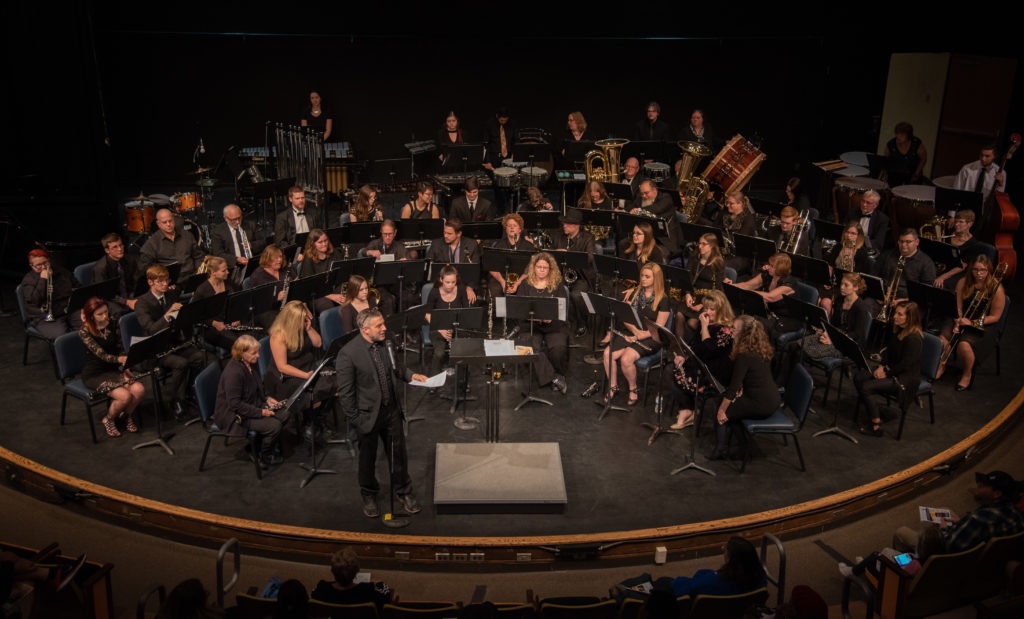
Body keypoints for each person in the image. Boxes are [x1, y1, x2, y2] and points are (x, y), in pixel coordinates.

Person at [336, 308, 428, 518]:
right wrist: (357, 420)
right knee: (367, 459)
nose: (385, 328)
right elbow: (346, 394)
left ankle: (404, 491)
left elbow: (397, 368)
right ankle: (369, 493)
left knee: (398, 455)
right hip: (367, 415)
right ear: (365, 329)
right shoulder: (348, 353)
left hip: (391, 410)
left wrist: (413, 375)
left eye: (383, 323)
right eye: (379, 325)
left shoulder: (387, 342)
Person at [893, 470, 1024, 554]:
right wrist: (961, 521)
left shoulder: (977, 519)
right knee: (945, 511)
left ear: (997, 494)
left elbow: (949, 547)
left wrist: (943, 528)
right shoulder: (1016, 514)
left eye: (984, 485)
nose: (978, 485)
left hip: (946, 556)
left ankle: (909, 563)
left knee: (901, 532)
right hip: (983, 554)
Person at [134, 265, 205, 418]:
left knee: (198, 357)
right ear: (150, 282)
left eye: (166, 280)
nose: (165, 284)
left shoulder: (171, 295)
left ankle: (188, 391)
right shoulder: (141, 303)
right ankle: (176, 400)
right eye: (160, 282)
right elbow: (151, 329)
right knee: (181, 363)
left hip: (173, 343)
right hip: (154, 349)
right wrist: (168, 315)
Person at [600, 262, 671, 406]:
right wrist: (634, 331)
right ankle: (613, 387)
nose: (643, 279)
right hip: (632, 332)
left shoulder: (663, 299)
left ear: (656, 279)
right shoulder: (634, 293)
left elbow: (658, 329)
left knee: (626, 359)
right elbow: (625, 317)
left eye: (647, 276)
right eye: (642, 276)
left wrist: (638, 336)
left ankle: (633, 389)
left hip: (651, 337)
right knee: (607, 354)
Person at [711, 315, 781, 460]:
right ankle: (744, 446)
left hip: (760, 404)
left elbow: (733, 388)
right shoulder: (760, 348)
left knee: (720, 406)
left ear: (744, 334)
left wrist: (722, 411)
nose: (731, 331)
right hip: (772, 399)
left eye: (734, 329)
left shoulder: (745, 355)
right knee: (729, 408)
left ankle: (721, 450)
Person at [666, 290, 735, 429]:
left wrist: (704, 327)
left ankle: (687, 409)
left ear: (722, 310)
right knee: (669, 368)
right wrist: (683, 356)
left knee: (674, 373)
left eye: (712, 309)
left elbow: (709, 350)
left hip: (714, 374)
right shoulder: (706, 322)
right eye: (706, 308)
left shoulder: (726, 330)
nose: (708, 312)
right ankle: (687, 409)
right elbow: (695, 346)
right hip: (700, 364)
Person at [213, 335, 285, 468]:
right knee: (274, 426)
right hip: (236, 416)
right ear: (242, 353)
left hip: (252, 403)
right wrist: (261, 412)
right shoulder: (233, 373)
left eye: (257, 352)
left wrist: (267, 398)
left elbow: (259, 385)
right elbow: (235, 405)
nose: (258, 356)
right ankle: (264, 456)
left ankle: (256, 447)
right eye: (254, 353)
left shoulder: (251, 362)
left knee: (285, 413)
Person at [79, 297, 146, 437]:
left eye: (106, 312)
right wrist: (120, 359)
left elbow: (120, 348)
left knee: (139, 389)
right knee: (124, 396)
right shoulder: (84, 331)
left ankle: (125, 416)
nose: (105, 317)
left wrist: (125, 369)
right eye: (100, 314)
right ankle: (108, 420)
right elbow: (101, 355)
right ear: (91, 316)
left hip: (113, 368)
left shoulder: (112, 322)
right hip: (94, 373)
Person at [936, 255, 1005, 391]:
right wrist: (958, 321)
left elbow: (995, 317)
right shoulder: (963, 282)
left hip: (983, 324)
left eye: (983, 270)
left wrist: (971, 322)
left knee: (964, 345)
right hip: (962, 317)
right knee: (943, 339)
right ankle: (942, 364)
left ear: (989, 270)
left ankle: (967, 373)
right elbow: (958, 306)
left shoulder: (996, 289)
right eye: (975, 270)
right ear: (970, 270)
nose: (979, 274)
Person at [854, 301, 923, 437]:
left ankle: (876, 425)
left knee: (867, 387)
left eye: (899, 314)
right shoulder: (898, 330)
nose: (895, 317)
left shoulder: (914, 339)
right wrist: (881, 366)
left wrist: (886, 373)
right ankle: (873, 409)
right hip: (892, 370)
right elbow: (887, 352)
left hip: (905, 379)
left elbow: (905, 365)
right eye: (896, 313)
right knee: (859, 377)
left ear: (909, 318)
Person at [266, 301, 332, 439]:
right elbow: (282, 367)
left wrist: (309, 329)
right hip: (287, 377)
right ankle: (310, 422)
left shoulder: (303, 328)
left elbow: (318, 343)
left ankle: (316, 417)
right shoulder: (278, 336)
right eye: (301, 319)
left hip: (307, 367)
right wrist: (305, 375)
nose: (305, 321)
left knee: (333, 380)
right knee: (313, 391)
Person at [514, 252, 570, 394]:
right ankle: (555, 378)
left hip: (553, 325)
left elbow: (562, 310)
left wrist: (550, 318)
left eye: (545, 267)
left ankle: (556, 373)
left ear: (551, 269)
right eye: (539, 267)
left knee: (558, 347)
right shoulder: (525, 285)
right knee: (526, 346)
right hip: (530, 325)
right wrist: (535, 318)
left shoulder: (558, 286)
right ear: (533, 267)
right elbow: (519, 311)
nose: (541, 270)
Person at [733, 252, 801, 339]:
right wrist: (731, 286)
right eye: (769, 264)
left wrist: (748, 292)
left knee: (755, 324)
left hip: (785, 318)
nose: (768, 267)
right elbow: (748, 285)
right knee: (744, 315)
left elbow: (769, 297)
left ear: (780, 269)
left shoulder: (789, 284)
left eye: (772, 266)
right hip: (769, 312)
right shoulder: (768, 275)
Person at [552, 208, 596, 337]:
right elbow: (549, 255)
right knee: (557, 291)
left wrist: (568, 255)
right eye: (564, 223)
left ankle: (582, 322)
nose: (564, 226)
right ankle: (564, 322)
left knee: (576, 295)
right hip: (561, 273)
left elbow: (590, 257)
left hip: (581, 275)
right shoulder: (559, 236)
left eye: (567, 224)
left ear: (576, 226)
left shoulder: (588, 238)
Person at [21, 248, 82, 339]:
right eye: (38, 265)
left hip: (68, 309)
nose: (43, 267)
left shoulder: (61, 271)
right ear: (32, 266)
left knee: (89, 325)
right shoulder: (28, 280)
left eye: (45, 263)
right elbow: (35, 300)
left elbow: (77, 287)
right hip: (44, 317)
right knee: (62, 338)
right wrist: (43, 280)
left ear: (49, 260)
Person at [424, 265, 473, 376]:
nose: (450, 285)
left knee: (463, 351)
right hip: (438, 327)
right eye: (447, 282)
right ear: (441, 280)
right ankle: (434, 380)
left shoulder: (461, 289)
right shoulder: (434, 292)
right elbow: (427, 314)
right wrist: (441, 329)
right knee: (439, 353)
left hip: (457, 326)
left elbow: (466, 311)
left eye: (453, 282)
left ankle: (463, 380)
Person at [676, 233, 726, 340]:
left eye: (704, 244)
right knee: (679, 315)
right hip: (693, 293)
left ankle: (692, 347)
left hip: (709, 298)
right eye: (699, 243)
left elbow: (718, 288)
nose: (700, 246)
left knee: (692, 323)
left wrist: (703, 304)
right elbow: (687, 277)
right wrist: (688, 294)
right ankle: (678, 348)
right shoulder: (694, 257)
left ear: (712, 246)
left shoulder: (718, 263)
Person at [311, 548, 391, 608]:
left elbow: (312, 596)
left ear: (332, 570)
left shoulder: (322, 589)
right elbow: (387, 592)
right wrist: (375, 582)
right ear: (357, 570)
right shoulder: (368, 590)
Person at [139, 208, 204, 282]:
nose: (168, 224)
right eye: (164, 222)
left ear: (173, 219)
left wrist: (199, 272)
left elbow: (198, 256)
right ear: (158, 224)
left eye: (170, 221)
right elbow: (146, 268)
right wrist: (163, 281)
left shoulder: (187, 235)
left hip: (192, 275)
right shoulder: (152, 243)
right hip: (170, 282)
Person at [819, 223, 871, 316]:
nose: (849, 235)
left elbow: (858, 276)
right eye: (847, 232)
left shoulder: (862, 253)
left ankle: (828, 326)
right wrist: (828, 280)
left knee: (826, 303)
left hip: (848, 286)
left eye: (853, 233)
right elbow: (830, 265)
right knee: (817, 298)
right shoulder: (839, 246)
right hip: (834, 283)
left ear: (859, 236)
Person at [191, 256, 241, 350]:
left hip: (230, 323)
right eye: (224, 271)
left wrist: (236, 318)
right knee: (241, 344)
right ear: (213, 272)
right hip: (212, 328)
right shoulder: (202, 290)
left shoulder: (228, 283)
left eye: (227, 269)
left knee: (255, 336)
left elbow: (237, 302)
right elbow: (195, 315)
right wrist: (214, 323)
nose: (228, 272)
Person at [877, 229, 937, 304]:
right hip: (883, 298)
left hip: (909, 302)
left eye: (908, 242)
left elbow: (927, 292)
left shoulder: (926, 263)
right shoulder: (887, 255)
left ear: (917, 242)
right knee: (867, 304)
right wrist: (878, 295)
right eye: (901, 241)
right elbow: (875, 276)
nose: (903, 245)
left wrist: (904, 300)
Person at [209, 204, 263, 283]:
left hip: (252, 264)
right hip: (232, 267)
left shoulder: (250, 224)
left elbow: (263, 242)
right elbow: (218, 253)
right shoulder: (217, 231)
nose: (237, 222)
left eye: (239, 218)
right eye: (233, 219)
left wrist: (251, 245)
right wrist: (236, 259)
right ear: (226, 219)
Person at [296, 228, 347, 314]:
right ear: (313, 244)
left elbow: (341, 273)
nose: (324, 244)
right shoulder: (308, 259)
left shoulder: (334, 253)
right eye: (320, 242)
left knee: (352, 297)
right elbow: (310, 286)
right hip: (316, 295)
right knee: (327, 306)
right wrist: (330, 296)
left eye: (325, 240)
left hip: (333, 289)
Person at [933, 210, 986, 290]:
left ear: (970, 224)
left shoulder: (973, 244)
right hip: (945, 268)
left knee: (941, 284)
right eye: (956, 222)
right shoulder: (948, 235)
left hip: (960, 273)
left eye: (961, 222)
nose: (957, 224)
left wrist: (942, 277)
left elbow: (962, 266)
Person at [487, 213, 535, 298]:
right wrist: (502, 282)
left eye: (514, 225)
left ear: (520, 229)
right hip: (502, 278)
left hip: (522, 279)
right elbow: (491, 267)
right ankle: (497, 311)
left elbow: (531, 269)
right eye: (509, 225)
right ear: (506, 228)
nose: (512, 228)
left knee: (527, 286)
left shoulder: (528, 246)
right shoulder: (498, 245)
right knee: (494, 287)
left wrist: (517, 283)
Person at [249, 245, 294, 330]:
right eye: (276, 258)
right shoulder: (258, 276)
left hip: (288, 304)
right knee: (282, 327)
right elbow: (256, 302)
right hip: (267, 311)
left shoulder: (285, 268)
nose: (280, 260)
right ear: (267, 258)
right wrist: (276, 298)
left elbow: (296, 282)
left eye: (280, 257)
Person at [93, 233, 139, 316]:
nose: (120, 249)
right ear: (107, 250)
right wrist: (126, 302)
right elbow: (104, 293)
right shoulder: (100, 268)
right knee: (118, 311)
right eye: (115, 247)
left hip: (128, 294)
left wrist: (132, 298)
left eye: (121, 245)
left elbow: (135, 281)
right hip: (110, 299)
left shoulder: (130, 260)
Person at [714, 190, 758, 276]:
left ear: (740, 203)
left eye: (731, 203)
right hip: (721, 249)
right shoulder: (724, 213)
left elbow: (739, 241)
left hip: (738, 255)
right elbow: (714, 228)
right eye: (727, 203)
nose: (727, 205)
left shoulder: (748, 219)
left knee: (717, 265)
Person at [631, 180, 680, 253]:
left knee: (655, 252)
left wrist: (638, 210)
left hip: (664, 240)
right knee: (623, 244)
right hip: (645, 238)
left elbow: (656, 209)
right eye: (642, 194)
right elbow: (631, 207)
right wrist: (625, 211)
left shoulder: (666, 197)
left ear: (654, 190)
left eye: (646, 193)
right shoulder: (640, 198)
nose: (644, 196)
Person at [953, 144, 1006, 210]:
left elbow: (999, 198)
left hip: (985, 210)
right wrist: (951, 215)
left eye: (987, 156)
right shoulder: (967, 168)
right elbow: (956, 191)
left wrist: (1000, 184)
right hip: (966, 208)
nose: (983, 159)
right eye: (981, 155)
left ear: (995, 156)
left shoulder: (1000, 172)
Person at [885, 121, 928, 186]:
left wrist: (916, 173)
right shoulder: (891, 144)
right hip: (895, 174)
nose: (898, 136)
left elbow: (923, 159)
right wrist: (886, 174)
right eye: (897, 133)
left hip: (912, 173)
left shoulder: (916, 143)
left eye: (902, 134)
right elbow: (886, 160)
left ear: (908, 135)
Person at [847, 189, 889, 255]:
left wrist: (859, 242)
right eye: (863, 201)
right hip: (849, 245)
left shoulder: (882, 219)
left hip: (867, 250)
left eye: (868, 203)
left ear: (875, 205)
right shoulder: (852, 213)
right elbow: (844, 231)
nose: (864, 205)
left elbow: (878, 243)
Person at [482, 107, 515, 171]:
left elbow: (515, 140)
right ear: (497, 116)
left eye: (506, 120)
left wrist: (514, 154)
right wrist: (487, 161)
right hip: (494, 158)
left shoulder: (512, 124)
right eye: (501, 120)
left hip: (509, 157)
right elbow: (486, 144)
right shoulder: (489, 124)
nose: (503, 122)